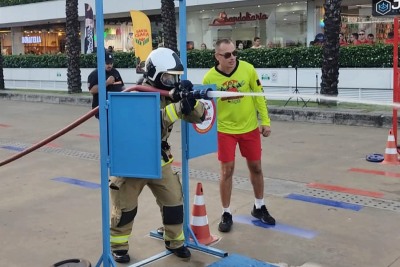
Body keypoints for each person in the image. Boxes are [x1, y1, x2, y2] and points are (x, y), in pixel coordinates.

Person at [109, 47, 206, 263]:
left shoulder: (171, 95)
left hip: (159, 160)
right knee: (125, 209)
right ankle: (118, 246)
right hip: (133, 161)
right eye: (168, 77)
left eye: (175, 78)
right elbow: (147, 123)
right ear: (153, 73)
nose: (172, 82)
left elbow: (200, 117)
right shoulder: (135, 94)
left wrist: (191, 101)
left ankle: (175, 242)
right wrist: (178, 107)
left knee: (173, 202)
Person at [202, 39, 275, 233]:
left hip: (249, 128)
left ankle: (259, 206)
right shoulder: (209, 78)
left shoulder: (248, 69)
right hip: (225, 130)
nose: (232, 58)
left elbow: (259, 96)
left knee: (256, 167)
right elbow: (206, 108)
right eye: (227, 55)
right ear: (217, 56)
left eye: (235, 53)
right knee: (227, 171)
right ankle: (226, 212)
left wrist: (265, 121)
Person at [87, 52, 124, 118]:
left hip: (115, 106)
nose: (109, 65)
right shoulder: (95, 74)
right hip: (102, 107)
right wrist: (106, 83)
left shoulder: (115, 72)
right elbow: (92, 90)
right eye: (107, 63)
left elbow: (122, 87)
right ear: (102, 62)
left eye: (111, 63)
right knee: (106, 126)